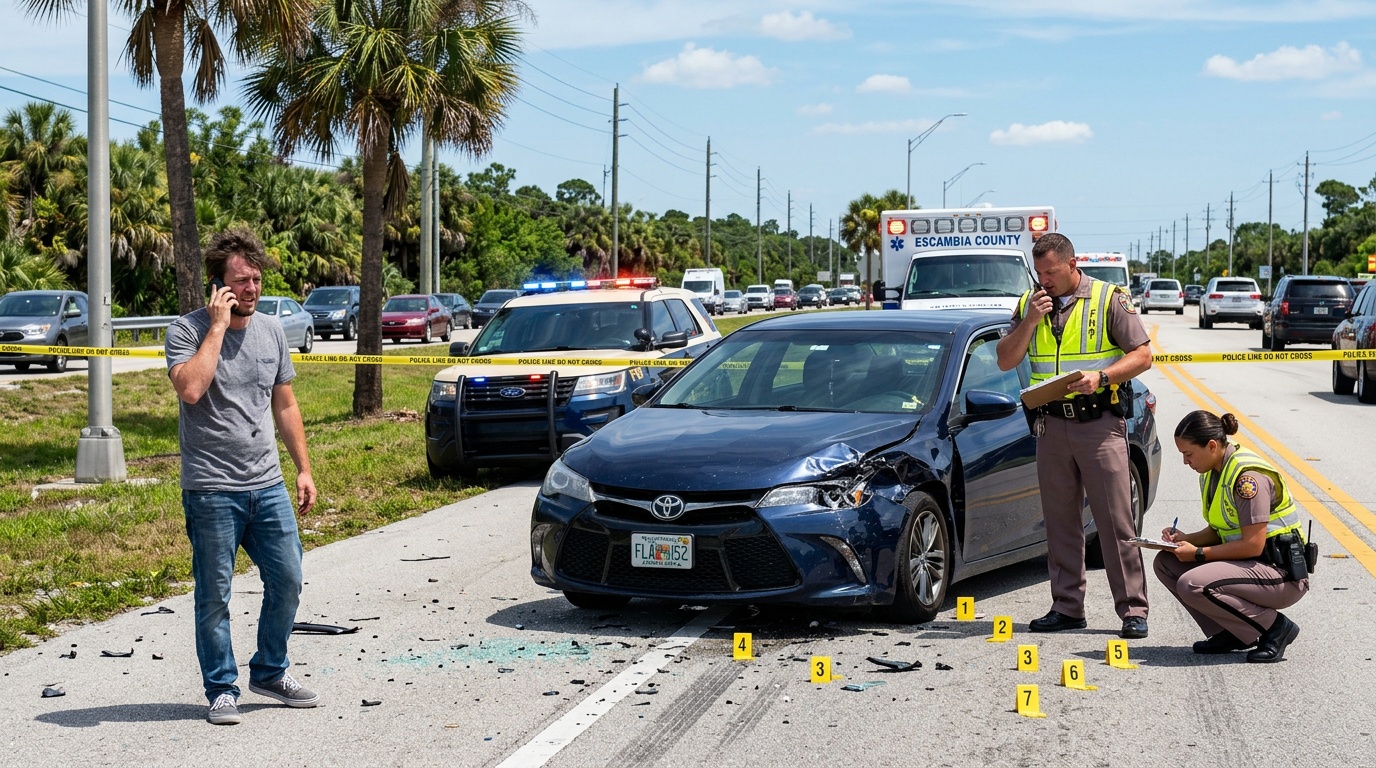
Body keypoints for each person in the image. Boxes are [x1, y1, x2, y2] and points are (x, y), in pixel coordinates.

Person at [166, 227, 320, 725]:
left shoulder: (273, 332)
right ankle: (221, 689)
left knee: (289, 578)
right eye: (240, 281)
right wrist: (217, 327)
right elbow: (190, 390)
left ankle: (270, 670)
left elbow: (285, 402)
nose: (251, 289)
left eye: (255, 280)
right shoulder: (186, 331)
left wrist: (303, 468)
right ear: (218, 287)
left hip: (267, 484)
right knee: (215, 593)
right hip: (211, 488)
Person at [995, 233, 1153, 639]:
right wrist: (1030, 320)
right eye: (1039, 272)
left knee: (1115, 521)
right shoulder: (1029, 304)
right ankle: (1067, 607)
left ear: (1071, 264)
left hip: (1099, 424)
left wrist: (1102, 377)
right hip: (1051, 426)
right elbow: (1004, 359)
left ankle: (1133, 610)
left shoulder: (1107, 298)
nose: (1044, 280)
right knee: (1060, 523)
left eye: (1050, 272)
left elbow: (1142, 355)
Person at [1154, 410, 1309, 662]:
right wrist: (1185, 539)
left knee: (1192, 583)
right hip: (1251, 567)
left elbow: (1252, 544)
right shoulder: (1214, 471)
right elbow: (1220, 530)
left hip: (1280, 574)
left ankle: (1276, 628)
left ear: (1212, 446)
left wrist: (1198, 553)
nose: (1185, 461)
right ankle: (1233, 631)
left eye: (1188, 454)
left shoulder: (1247, 479)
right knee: (1166, 563)